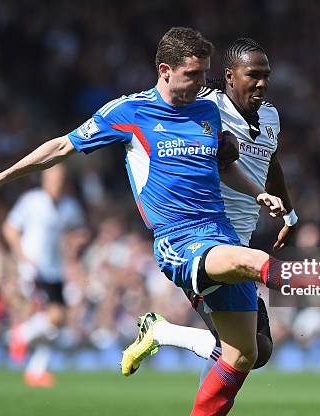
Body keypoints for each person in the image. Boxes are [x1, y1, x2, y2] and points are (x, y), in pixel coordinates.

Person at [0, 27, 320, 415]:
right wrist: (1, 177)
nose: (199, 83)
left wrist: (256, 192)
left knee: (247, 354)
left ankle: (163, 335)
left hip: (220, 232)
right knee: (249, 263)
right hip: (180, 240)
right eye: (192, 75)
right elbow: (61, 146)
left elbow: (225, 165)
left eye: (204, 75)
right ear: (165, 71)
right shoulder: (129, 111)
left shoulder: (208, 111)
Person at [120, 38, 298, 382]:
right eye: (253, 75)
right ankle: (162, 333)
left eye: (266, 75)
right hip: (201, 241)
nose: (262, 83)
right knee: (239, 350)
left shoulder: (271, 117)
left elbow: (272, 162)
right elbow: (163, 109)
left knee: (257, 351)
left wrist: (289, 212)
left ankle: (161, 333)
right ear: (230, 76)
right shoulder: (205, 105)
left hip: (239, 243)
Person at [3, 164, 87, 387]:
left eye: (61, 179)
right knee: (54, 316)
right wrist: (22, 257)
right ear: (44, 180)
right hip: (33, 269)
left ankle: (35, 370)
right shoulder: (31, 201)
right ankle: (21, 336)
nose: (57, 183)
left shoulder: (70, 206)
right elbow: (9, 229)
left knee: (54, 325)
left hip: (55, 269)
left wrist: (76, 245)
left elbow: (78, 232)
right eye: (53, 178)